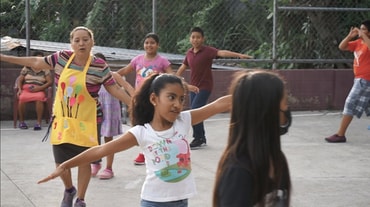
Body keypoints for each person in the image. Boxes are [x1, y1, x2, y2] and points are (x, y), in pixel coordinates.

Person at [38, 73, 231, 207]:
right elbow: (100, 150)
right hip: (153, 202)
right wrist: (65, 165)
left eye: (181, 99)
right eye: (171, 97)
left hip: (181, 201)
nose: (177, 104)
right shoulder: (141, 132)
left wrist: (249, 88)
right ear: (154, 99)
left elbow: (217, 105)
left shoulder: (184, 120)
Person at [0, 26, 131, 207]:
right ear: (71, 43)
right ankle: (69, 189)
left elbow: (113, 88)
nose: (81, 43)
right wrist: (4, 57)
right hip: (63, 119)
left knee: (84, 160)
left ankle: (81, 199)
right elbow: (36, 62)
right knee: (61, 162)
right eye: (76, 40)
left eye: (85, 39)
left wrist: (133, 103)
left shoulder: (99, 66)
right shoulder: (61, 58)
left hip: (89, 120)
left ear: (92, 42)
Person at [213, 70, 292, 207]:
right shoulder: (239, 172)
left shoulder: (277, 160)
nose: (287, 108)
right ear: (266, 111)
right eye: (284, 102)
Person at [176, 26, 253, 149]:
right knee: (195, 110)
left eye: (198, 37)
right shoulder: (189, 53)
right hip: (193, 88)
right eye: (193, 37)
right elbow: (183, 66)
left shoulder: (207, 51)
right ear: (190, 38)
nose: (195, 40)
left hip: (205, 86)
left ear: (203, 39)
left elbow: (221, 53)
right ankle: (201, 137)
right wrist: (174, 78)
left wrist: (238, 55)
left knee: (196, 109)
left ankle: (198, 138)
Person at [113, 33, 176, 165]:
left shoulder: (162, 61)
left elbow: (172, 76)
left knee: (156, 124)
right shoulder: (137, 60)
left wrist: (184, 85)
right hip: (140, 97)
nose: (149, 45)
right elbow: (125, 70)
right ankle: (144, 152)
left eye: (152, 43)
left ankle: (159, 150)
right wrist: (109, 76)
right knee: (141, 124)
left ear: (157, 45)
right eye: (147, 42)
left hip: (156, 97)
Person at [325, 20, 370, 143]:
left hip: (364, 80)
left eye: (364, 29)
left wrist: (364, 35)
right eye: (360, 28)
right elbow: (342, 46)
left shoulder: (367, 42)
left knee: (349, 103)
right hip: (360, 79)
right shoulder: (358, 43)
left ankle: (340, 134)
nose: (361, 31)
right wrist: (350, 36)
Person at [90, 52, 134, 179]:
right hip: (95, 111)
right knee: (94, 138)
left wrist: (135, 100)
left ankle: (109, 168)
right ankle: (95, 162)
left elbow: (127, 87)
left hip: (110, 113)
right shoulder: (91, 78)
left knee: (108, 140)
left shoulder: (113, 76)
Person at [16, 51, 52, 130]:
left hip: (39, 89)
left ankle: (38, 123)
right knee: (21, 98)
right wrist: (19, 89)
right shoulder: (27, 67)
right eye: (37, 58)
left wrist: (39, 88)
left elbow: (50, 82)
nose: (38, 60)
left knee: (39, 98)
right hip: (26, 89)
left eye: (40, 58)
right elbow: (19, 80)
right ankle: (22, 122)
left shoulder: (45, 69)